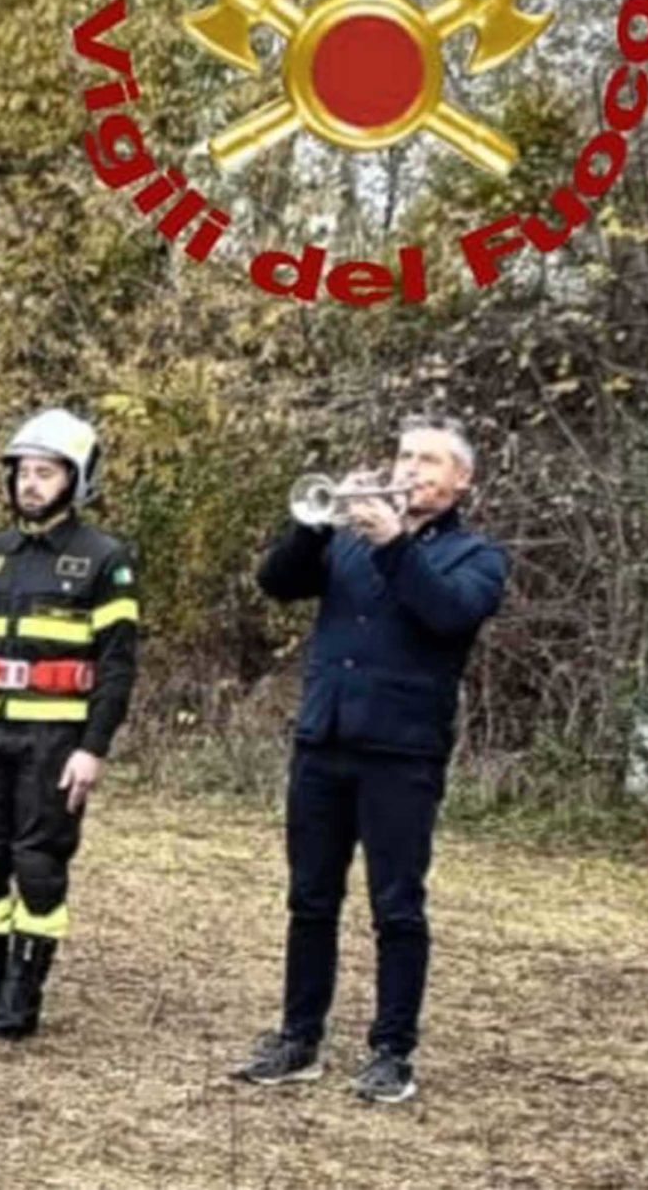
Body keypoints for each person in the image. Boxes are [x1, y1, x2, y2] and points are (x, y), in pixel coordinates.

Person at [232, 416, 508, 1106]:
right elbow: (277, 581)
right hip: (323, 739)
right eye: (404, 455)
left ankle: (392, 1051)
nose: (410, 468)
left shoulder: (476, 556)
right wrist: (314, 527)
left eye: (429, 460)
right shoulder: (350, 540)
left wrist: (393, 544)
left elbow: (448, 614)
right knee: (310, 898)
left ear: (461, 480)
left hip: (402, 752)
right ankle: (299, 1038)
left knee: (397, 906)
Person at [0, 409, 139, 1040]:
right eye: (24, 472)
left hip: (53, 741)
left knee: (39, 863)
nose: (30, 483)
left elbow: (117, 665)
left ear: (75, 480)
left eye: (46, 472)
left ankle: (20, 996)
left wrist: (93, 749)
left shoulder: (104, 559)